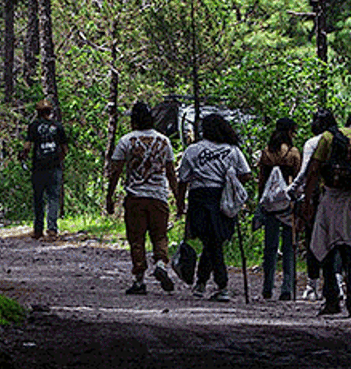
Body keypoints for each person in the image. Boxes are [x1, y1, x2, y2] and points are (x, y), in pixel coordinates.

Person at [301, 112, 351, 316]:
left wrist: (308, 200)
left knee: (328, 251)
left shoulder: (329, 138)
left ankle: (331, 300)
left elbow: (314, 170)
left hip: (330, 200)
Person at [175, 112, 253, 302]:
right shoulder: (232, 151)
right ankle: (212, 284)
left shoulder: (193, 150)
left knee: (211, 242)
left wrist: (180, 203)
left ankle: (215, 284)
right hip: (222, 198)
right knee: (214, 241)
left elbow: (183, 179)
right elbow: (246, 174)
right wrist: (230, 180)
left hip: (200, 198)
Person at [105, 100, 179, 295]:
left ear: (134, 121)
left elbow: (116, 171)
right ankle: (161, 263)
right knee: (160, 235)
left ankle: (139, 280)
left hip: (136, 197)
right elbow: (171, 173)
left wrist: (109, 196)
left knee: (136, 239)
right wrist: (179, 199)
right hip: (159, 196)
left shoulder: (126, 141)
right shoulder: (164, 141)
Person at [254, 117, 302, 300]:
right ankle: (287, 288)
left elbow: (262, 180)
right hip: (287, 203)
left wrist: (261, 202)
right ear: (290, 132)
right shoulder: (293, 153)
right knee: (289, 247)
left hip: (270, 203)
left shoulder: (267, 152)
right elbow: (298, 179)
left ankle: (267, 287)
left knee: (270, 247)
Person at [293, 110, 337, 300]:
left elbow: (307, 171)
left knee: (314, 239)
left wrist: (294, 191)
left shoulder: (313, 143)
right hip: (338, 196)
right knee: (336, 240)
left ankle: (312, 286)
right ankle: (337, 283)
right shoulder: (340, 140)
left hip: (317, 196)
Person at [26, 97, 71, 240]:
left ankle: (38, 230)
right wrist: (59, 160)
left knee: (38, 198)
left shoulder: (33, 126)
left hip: (38, 167)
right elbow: (65, 148)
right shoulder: (58, 126)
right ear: (50, 111)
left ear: (38, 112)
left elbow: (27, 146)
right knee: (53, 198)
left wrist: (23, 155)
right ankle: (52, 230)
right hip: (54, 167)